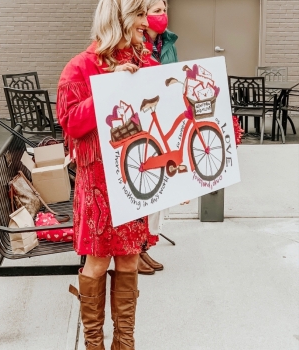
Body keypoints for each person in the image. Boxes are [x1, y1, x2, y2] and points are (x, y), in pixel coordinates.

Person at [56, 1, 159, 349]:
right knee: (97, 264)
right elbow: (70, 122)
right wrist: (109, 87)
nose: (147, 23)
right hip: (98, 187)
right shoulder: (80, 67)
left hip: (133, 184)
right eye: (140, 15)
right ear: (118, 19)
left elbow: (163, 120)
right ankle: (95, 344)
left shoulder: (147, 65)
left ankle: (124, 343)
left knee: (130, 258)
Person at [138, 0, 181, 275]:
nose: (162, 15)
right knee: (145, 185)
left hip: (163, 110)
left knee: (160, 186)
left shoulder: (169, 42)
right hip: (141, 114)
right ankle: (136, 249)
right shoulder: (133, 42)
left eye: (165, 10)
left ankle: (145, 246)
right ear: (143, 15)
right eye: (157, 11)